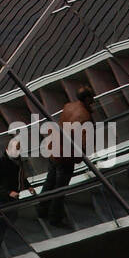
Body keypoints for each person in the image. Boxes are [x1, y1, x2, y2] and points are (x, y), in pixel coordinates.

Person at [38, 85, 95, 228]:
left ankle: (41, 209)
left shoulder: (68, 106)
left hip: (54, 150)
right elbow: (83, 144)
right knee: (60, 189)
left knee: (49, 182)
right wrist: (79, 158)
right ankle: (55, 218)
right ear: (88, 99)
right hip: (65, 157)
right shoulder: (85, 118)